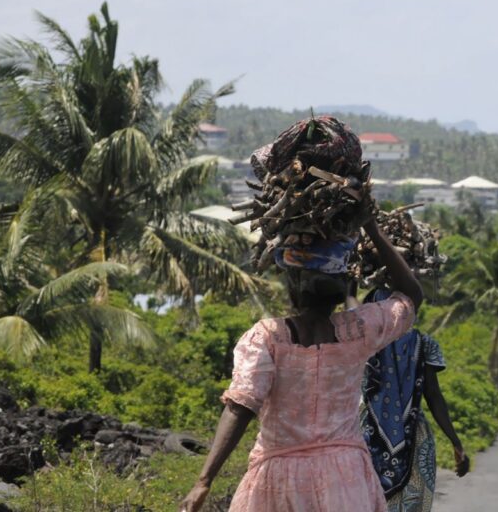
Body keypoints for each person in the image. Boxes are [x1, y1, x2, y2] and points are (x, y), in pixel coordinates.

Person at [179, 216, 425, 512]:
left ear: (293, 289)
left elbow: (240, 406)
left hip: (280, 479)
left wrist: (204, 480)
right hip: (344, 478)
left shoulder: (267, 337)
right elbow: (411, 295)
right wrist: (371, 227)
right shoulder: (358, 330)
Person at [361, 288, 470, 512]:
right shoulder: (424, 343)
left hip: (364, 434)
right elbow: (434, 396)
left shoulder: (360, 342)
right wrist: (456, 442)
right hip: (414, 436)